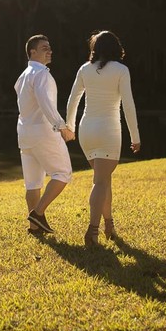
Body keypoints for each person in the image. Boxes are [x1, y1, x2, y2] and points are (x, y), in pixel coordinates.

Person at [65, 30, 140, 246]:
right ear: (116, 48)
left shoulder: (84, 69)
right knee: (100, 181)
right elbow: (128, 105)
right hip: (108, 130)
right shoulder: (121, 70)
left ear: (95, 49)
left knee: (104, 179)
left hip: (86, 131)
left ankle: (109, 225)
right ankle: (92, 231)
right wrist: (135, 136)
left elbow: (72, 100)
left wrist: (69, 127)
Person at [14, 34, 75, 234]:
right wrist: (62, 127)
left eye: (49, 47)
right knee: (63, 173)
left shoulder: (23, 76)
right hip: (43, 132)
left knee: (33, 183)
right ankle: (37, 214)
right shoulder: (41, 74)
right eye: (44, 48)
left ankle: (34, 228)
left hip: (25, 134)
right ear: (32, 52)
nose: (49, 51)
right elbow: (45, 103)